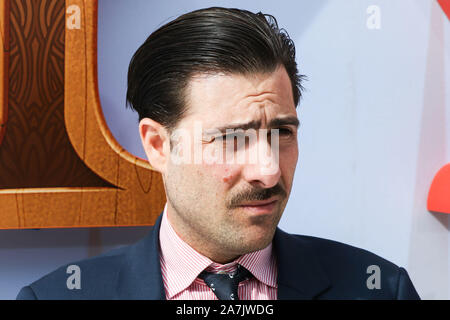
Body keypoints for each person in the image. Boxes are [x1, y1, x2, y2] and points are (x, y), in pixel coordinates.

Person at [16, 7, 420, 300]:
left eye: (281, 132)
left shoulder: (379, 289)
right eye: (232, 138)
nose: (268, 170)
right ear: (158, 145)